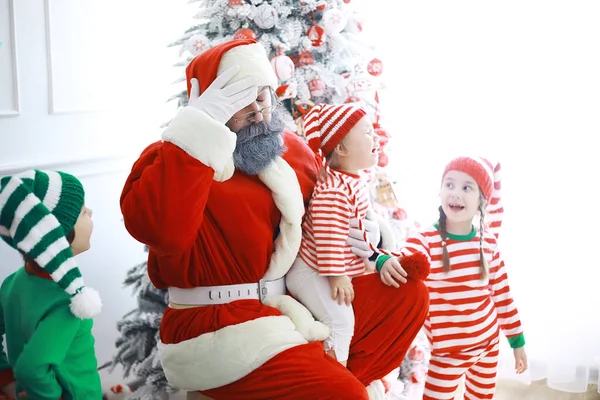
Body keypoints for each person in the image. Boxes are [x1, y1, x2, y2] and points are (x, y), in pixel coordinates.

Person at [120, 38, 429, 399]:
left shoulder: (289, 151)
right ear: (206, 103)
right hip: (217, 325)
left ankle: (335, 378)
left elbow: (329, 210)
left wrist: (372, 239)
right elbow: (161, 232)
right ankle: (337, 385)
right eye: (239, 101)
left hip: (290, 301)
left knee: (409, 294)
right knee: (345, 395)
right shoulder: (170, 158)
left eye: (262, 96)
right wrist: (198, 131)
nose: (257, 112)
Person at [286, 103, 429, 371]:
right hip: (312, 271)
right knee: (340, 321)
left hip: (331, 268)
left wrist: (378, 260)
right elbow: (328, 235)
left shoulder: (353, 181)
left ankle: (342, 366)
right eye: (366, 133)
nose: (374, 137)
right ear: (342, 149)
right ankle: (334, 373)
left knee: (353, 314)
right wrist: (337, 275)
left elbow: (358, 233)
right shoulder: (334, 192)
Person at [378, 156, 527, 399]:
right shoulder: (425, 239)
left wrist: (517, 342)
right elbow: (404, 258)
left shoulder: (488, 243)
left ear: (481, 199)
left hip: (487, 346)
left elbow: (503, 297)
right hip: (446, 353)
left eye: (466, 187)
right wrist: (384, 260)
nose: (455, 193)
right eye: (449, 184)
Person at [0, 169, 103, 399]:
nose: (90, 212)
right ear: (56, 235)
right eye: (83, 212)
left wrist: (6, 379)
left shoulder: (12, 283)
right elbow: (31, 368)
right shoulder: (68, 301)